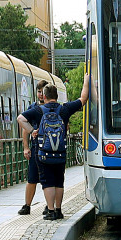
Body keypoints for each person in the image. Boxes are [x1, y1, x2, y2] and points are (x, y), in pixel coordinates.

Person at [18, 76, 90, 220]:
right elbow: (83, 98)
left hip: (43, 153)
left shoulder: (38, 110)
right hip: (60, 153)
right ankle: (58, 210)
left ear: (44, 96)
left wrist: (32, 131)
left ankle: (50, 211)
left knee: (47, 182)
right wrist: (86, 80)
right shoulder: (65, 109)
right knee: (58, 181)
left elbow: (20, 119)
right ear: (56, 96)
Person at [18, 80, 49, 215]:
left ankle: (50, 206)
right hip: (36, 146)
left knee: (48, 179)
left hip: (50, 148)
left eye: (43, 91)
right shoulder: (32, 108)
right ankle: (27, 205)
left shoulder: (53, 107)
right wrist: (26, 147)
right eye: (38, 91)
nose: (40, 94)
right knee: (32, 178)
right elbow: (25, 128)